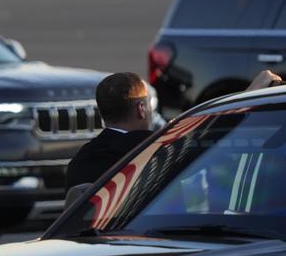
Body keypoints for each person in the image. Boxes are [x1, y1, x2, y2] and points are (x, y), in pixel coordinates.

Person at [66, 70, 282, 192]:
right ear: (142, 109)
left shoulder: (80, 161)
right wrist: (250, 93)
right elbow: (212, 136)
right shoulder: (156, 148)